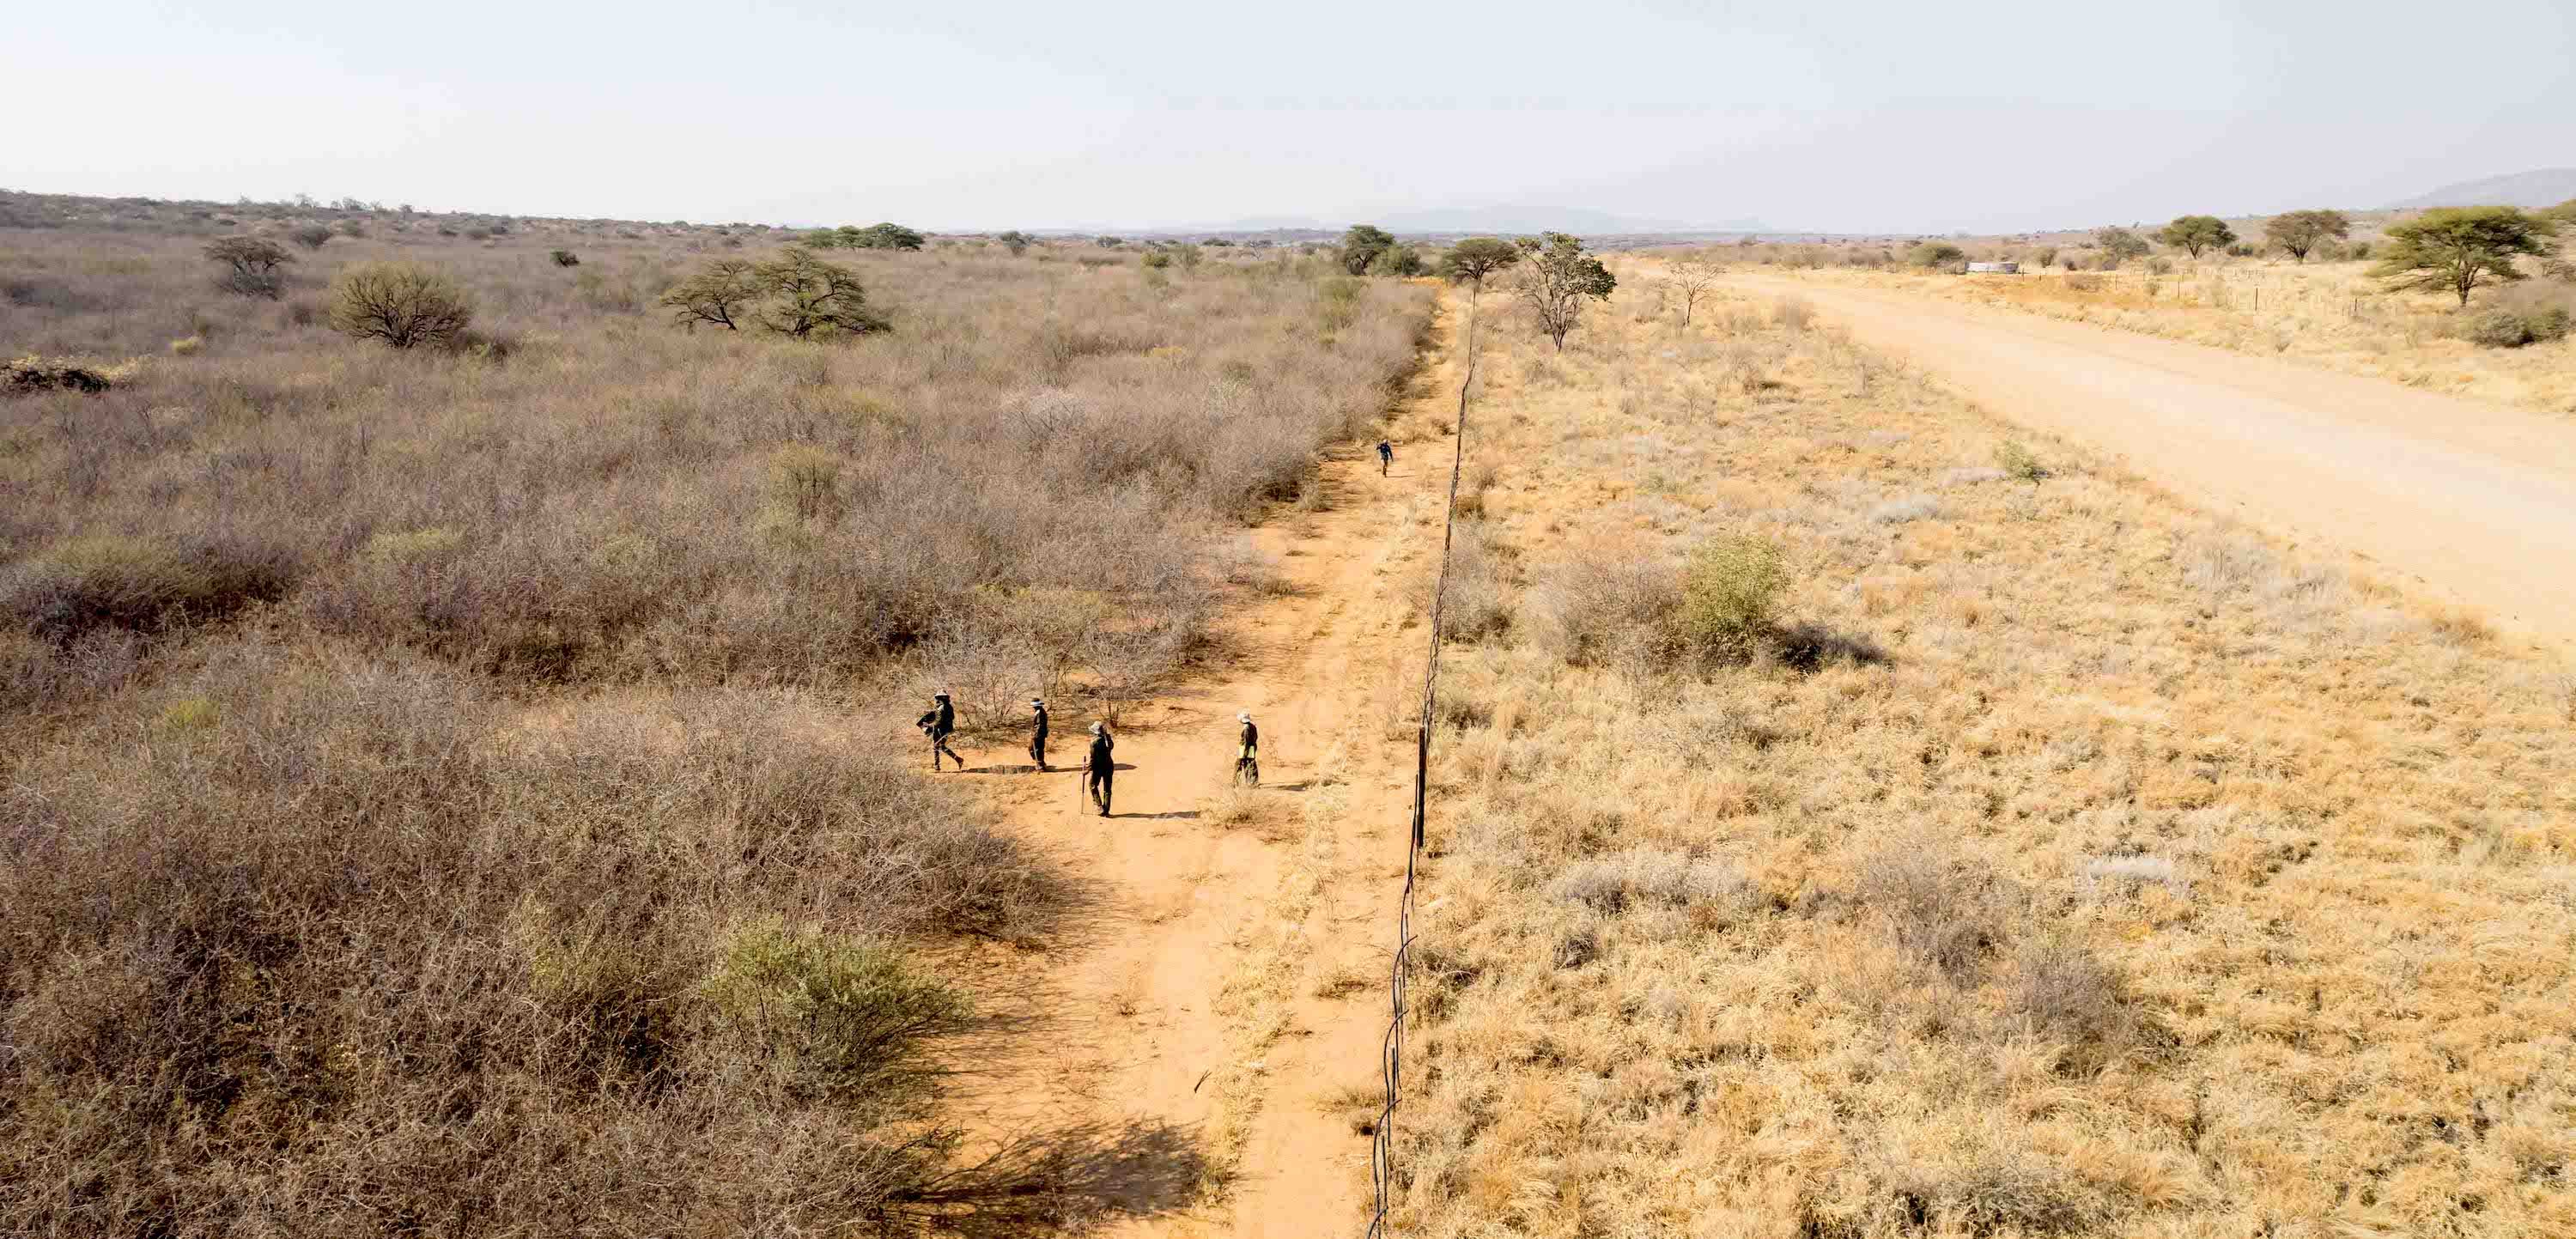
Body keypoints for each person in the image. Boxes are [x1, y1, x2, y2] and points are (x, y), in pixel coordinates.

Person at [916, 691, 963, 772]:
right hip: (944, 729)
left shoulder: (942, 707)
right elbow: (949, 718)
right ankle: (954, 761)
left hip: (941, 730)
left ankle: (938, 766)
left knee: (937, 746)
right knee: (939, 747)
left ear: (941, 698)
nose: (937, 700)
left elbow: (939, 720)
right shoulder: (947, 707)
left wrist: (929, 726)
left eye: (938, 698)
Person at [1084, 721, 1115, 817]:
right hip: (1109, 766)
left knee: (1092, 785)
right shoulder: (1108, 739)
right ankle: (1106, 810)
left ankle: (1099, 806)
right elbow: (1111, 747)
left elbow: (1093, 759)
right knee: (1107, 789)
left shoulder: (1094, 742)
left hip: (1099, 768)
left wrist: (1087, 770)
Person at [1235, 711, 1260, 783]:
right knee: (1251, 763)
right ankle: (1253, 782)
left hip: (1245, 748)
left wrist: (1244, 754)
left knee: (1239, 764)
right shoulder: (1252, 726)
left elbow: (1245, 741)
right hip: (1252, 747)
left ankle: (1236, 783)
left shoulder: (1246, 728)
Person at [1027, 697, 1050, 771]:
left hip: (1039, 734)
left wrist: (1035, 734)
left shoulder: (1040, 713)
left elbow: (1040, 725)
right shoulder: (1039, 712)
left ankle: (1040, 765)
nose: (1033, 707)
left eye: (1033, 706)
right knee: (1037, 749)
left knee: (1034, 749)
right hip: (1039, 733)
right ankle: (1041, 763)